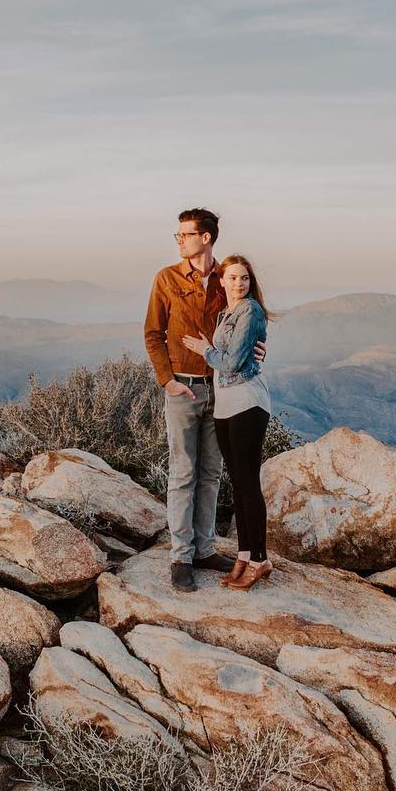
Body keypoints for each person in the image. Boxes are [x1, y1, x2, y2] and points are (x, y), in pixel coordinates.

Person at [144, 209, 264, 592]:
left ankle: (204, 548)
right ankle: (181, 556)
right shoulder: (167, 278)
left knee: (211, 471)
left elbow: (245, 324)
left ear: (206, 237)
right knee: (183, 472)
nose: (179, 240)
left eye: (185, 234)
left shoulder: (226, 278)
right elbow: (152, 334)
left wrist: (258, 351)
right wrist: (167, 381)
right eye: (178, 235)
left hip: (223, 389)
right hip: (183, 386)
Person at [182, 254, 273, 591]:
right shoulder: (226, 313)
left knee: (248, 483)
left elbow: (233, 361)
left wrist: (205, 350)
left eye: (244, 278)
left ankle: (260, 559)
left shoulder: (249, 310)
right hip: (226, 405)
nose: (239, 283)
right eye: (233, 278)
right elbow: (243, 350)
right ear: (222, 280)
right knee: (237, 482)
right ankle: (245, 554)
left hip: (248, 401)